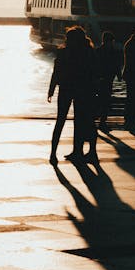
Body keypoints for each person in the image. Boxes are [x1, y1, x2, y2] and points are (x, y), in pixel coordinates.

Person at [47, 26, 98, 166]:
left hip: (66, 89)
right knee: (80, 121)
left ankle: (53, 153)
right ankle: (78, 151)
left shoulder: (63, 52)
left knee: (60, 121)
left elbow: (56, 72)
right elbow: (93, 72)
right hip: (83, 89)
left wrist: (51, 89)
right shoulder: (88, 52)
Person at [95, 31, 122, 131]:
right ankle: (102, 120)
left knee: (103, 99)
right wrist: (119, 76)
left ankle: (101, 119)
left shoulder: (98, 51)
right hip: (106, 79)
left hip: (101, 79)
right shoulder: (113, 52)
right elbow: (117, 65)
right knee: (105, 100)